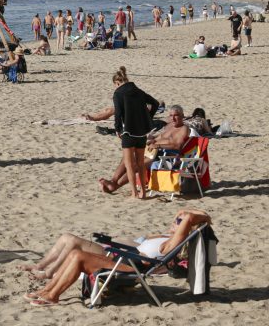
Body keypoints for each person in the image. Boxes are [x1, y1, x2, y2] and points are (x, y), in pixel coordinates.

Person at [23, 209, 212, 305]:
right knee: (74, 253)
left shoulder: (170, 244)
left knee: (78, 255)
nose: (176, 220)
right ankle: (47, 290)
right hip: (126, 259)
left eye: (178, 222)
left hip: (133, 265)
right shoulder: (165, 237)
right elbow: (185, 213)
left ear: (186, 229)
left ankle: (53, 295)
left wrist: (195, 219)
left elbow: (189, 218)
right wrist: (187, 215)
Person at [99, 105, 189, 193]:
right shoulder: (169, 126)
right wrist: (152, 140)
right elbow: (160, 137)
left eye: (176, 115)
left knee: (136, 165)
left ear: (182, 116)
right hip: (153, 151)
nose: (173, 118)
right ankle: (113, 181)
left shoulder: (183, 129)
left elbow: (178, 146)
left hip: (166, 156)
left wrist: (158, 146)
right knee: (127, 158)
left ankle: (115, 186)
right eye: (171, 115)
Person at [111, 66, 159, 199]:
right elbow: (155, 103)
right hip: (141, 133)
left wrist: (117, 129)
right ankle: (143, 192)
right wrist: (148, 117)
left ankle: (134, 193)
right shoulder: (138, 91)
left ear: (117, 82)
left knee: (129, 165)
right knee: (140, 164)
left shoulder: (118, 93)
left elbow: (118, 114)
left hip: (128, 133)